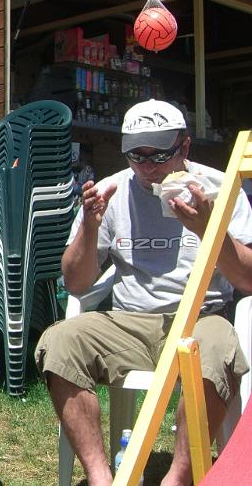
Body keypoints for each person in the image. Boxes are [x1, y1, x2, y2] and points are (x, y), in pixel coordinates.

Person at [35, 99, 252, 486]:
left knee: (217, 346)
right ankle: (101, 476)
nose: (149, 168)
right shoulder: (111, 190)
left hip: (201, 317)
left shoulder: (221, 188)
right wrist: (88, 226)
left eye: (159, 155)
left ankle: (178, 477)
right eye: (138, 156)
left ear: (184, 146)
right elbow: (76, 283)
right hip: (129, 321)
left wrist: (208, 228)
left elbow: (248, 280)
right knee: (59, 340)